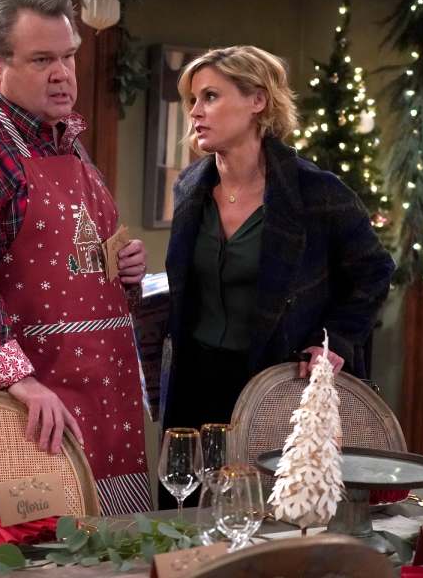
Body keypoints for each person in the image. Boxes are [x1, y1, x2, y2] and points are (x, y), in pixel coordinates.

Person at [0, 0, 150, 514]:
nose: (62, 74)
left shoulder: (62, 137)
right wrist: (18, 379)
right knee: (14, 549)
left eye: (68, 56)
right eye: (42, 60)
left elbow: (72, 256)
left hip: (98, 397)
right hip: (16, 409)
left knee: (112, 550)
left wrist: (121, 265)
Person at [163, 45, 395, 435]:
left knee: (264, 477)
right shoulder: (189, 188)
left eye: (211, 96)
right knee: (193, 475)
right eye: (193, 100)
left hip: (278, 381)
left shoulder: (315, 192)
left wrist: (334, 339)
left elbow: (375, 271)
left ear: (257, 101)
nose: (195, 111)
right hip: (195, 381)